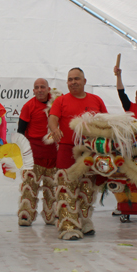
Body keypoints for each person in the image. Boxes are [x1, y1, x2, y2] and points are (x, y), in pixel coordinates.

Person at [48, 67, 108, 240]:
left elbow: (105, 121)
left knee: (88, 188)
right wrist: (55, 129)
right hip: (68, 149)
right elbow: (53, 118)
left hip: (90, 150)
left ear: (84, 81)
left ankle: (85, 221)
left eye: (76, 79)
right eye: (70, 79)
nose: (73, 82)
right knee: (66, 187)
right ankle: (68, 225)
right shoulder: (61, 100)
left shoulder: (96, 100)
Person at [17, 78, 60, 226]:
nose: (40, 90)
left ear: (48, 89)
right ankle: (25, 215)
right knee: (30, 187)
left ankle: (51, 215)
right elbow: (20, 132)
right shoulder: (28, 106)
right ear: (33, 90)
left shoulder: (57, 104)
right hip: (33, 155)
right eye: (37, 87)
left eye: (43, 87)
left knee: (52, 188)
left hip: (53, 154)